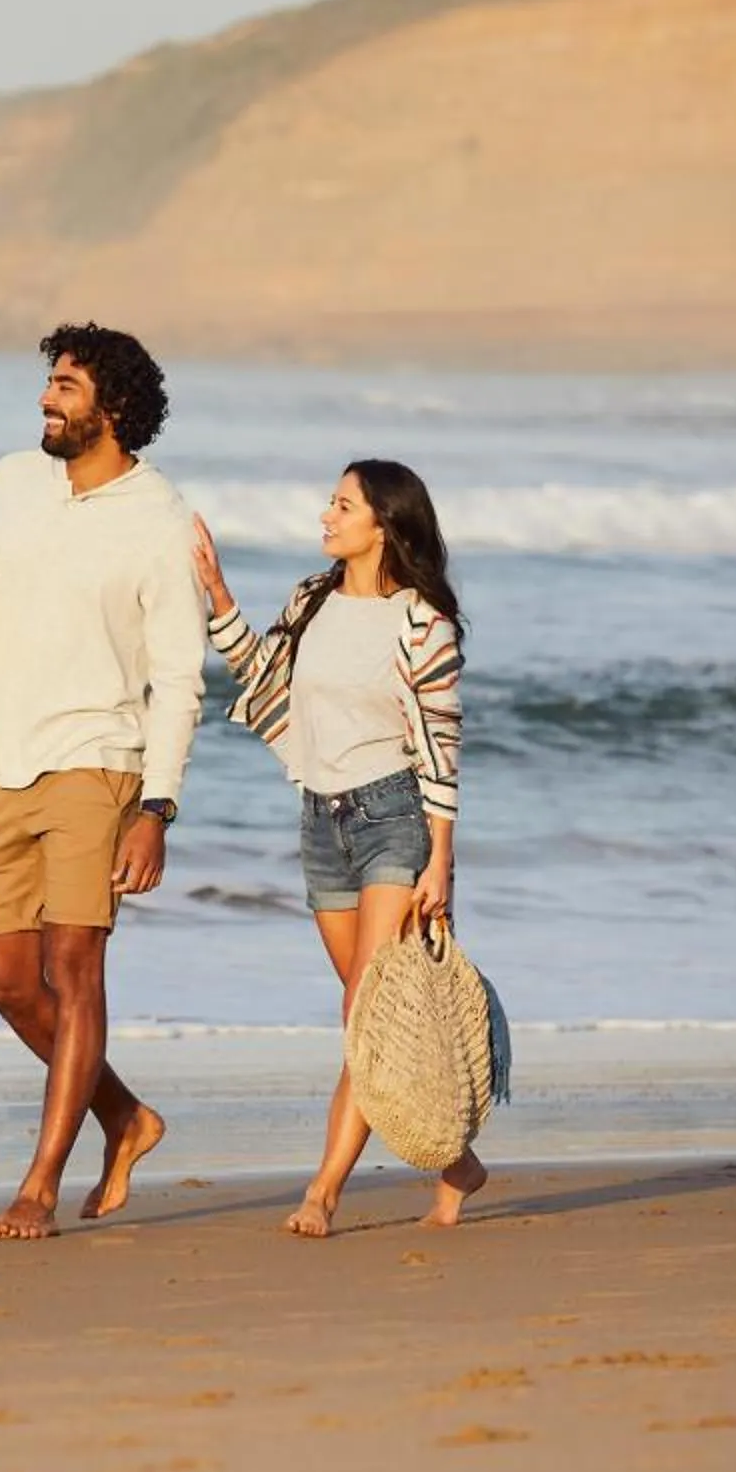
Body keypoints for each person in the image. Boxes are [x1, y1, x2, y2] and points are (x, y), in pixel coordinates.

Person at [0, 324, 204, 1242]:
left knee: (73, 970)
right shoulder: (12, 484)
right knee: (4, 981)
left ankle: (39, 1184)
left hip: (98, 761)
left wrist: (157, 808)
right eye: (49, 383)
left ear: (114, 408)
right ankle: (125, 1117)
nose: (45, 399)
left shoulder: (159, 521)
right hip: (3, 758)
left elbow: (179, 678)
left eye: (66, 387)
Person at [190, 460, 483, 1237]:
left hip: (394, 820)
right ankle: (456, 1163)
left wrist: (440, 859)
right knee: (376, 1024)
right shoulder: (311, 599)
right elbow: (262, 678)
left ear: (383, 525)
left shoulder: (422, 624)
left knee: (361, 1013)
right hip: (321, 822)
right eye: (331, 502)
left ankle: (322, 1192)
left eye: (343, 505)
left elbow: (441, 746)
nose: (327, 515)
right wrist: (218, 594)